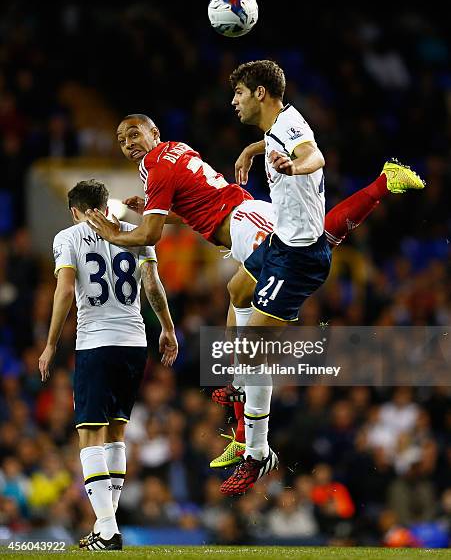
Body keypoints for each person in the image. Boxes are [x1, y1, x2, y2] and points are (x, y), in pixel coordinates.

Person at [85, 110, 424, 482]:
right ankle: (243, 412)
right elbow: (201, 210)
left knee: (304, 265)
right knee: (240, 291)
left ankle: (256, 447)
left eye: (134, 135)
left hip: (248, 225)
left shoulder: (154, 165)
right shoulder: (173, 151)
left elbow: (149, 237)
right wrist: (156, 211)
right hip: (244, 219)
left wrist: (114, 234)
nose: (128, 144)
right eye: (121, 140)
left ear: (154, 133)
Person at [38, 180, 177, 550]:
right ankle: (106, 528)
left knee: (89, 434)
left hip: (96, 344)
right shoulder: (136, 232)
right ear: (105, 204)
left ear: (75, 211)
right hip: (134, 345)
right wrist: (167, 328)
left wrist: (50, 344)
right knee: (116, 432)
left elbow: (66, 290)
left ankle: (106, 526)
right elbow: (152, 284)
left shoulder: (67, 237)